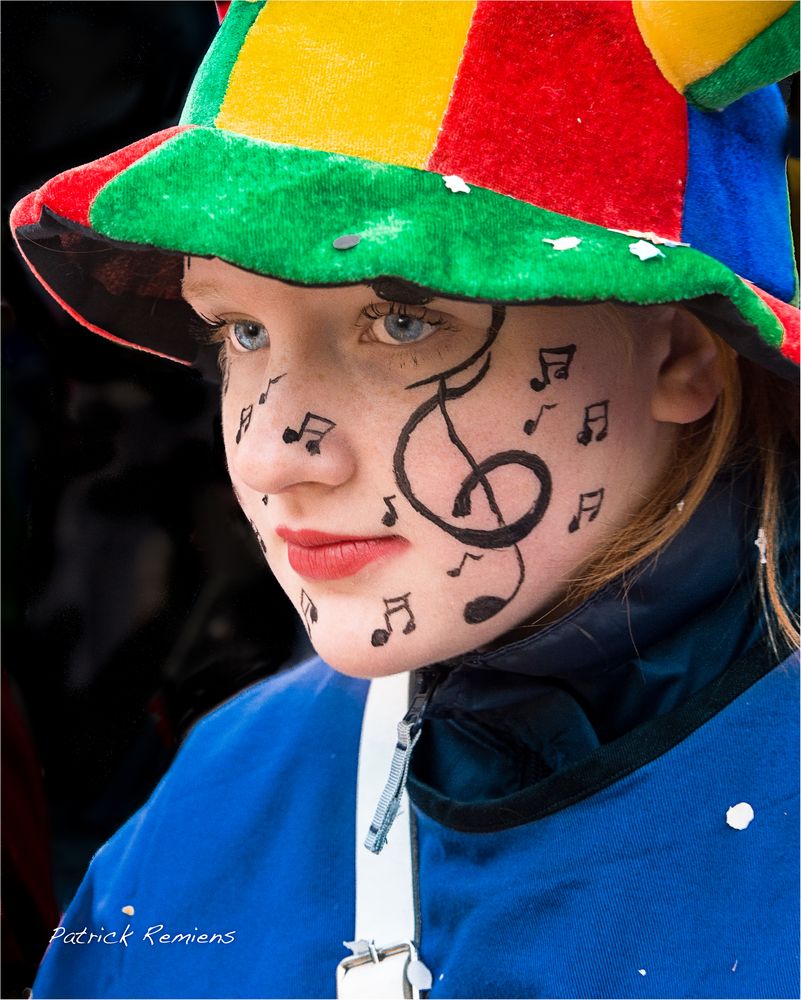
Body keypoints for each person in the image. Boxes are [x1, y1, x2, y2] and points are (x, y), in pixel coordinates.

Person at [12, 2, 799, 998]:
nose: (268, 456)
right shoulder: (218, 805)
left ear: (683, 349)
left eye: (399, 320)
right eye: (242, 332)